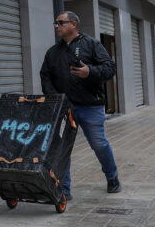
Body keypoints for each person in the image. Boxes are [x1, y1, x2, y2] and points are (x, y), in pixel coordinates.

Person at [39, 11, 120, 199]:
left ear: (73, 24)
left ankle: (112, 176)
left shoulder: (91, 44)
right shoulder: (53, 52)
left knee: (98, 144)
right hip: (64, 108)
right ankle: (64, 189)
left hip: (90, 106)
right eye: (56, 23)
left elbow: (110, 68)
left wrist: (89, 72)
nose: (57, 26)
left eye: (61, 22)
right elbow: (45, 76)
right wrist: (55, 98)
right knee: (62, 148)